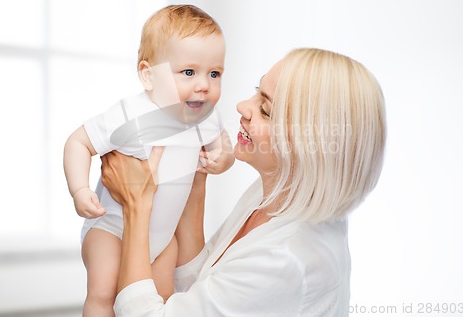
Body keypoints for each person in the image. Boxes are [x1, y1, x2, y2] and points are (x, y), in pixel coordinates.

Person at [101, 48, 387, 316]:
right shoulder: (280, 193)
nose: (242, 107)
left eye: (266, 110)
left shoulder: (287, 260)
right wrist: (196, 183)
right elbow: (202, 286)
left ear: (311, 145)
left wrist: (136, 205)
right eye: (256, 92)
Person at [63, 5, 235, 316]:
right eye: (188, 72)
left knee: (162, 299)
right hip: (112, 228)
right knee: (104, 293)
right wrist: (79, 190)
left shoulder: (206, 118)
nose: (203, 85)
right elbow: (78, 142)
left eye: (214, 73)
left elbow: (223, 146)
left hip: (163, 238)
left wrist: (223, 159)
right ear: (148, 76)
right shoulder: (130, 114)